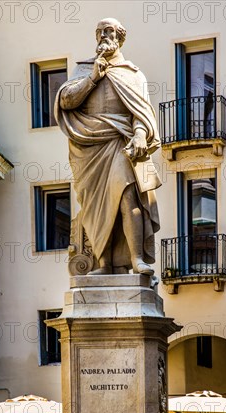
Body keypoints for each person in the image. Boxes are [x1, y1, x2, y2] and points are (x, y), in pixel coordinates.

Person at [55, 18, 161, 275]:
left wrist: (138, 135)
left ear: (120, 36)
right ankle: (105, 264)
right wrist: (93, 78)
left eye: (109, 31)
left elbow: (142, 112)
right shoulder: (83, 69)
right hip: (89, 149)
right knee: (97, 207)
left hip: (122, 141)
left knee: (128, 197)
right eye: (100, 31)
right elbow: (66, 101)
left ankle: (136, 259)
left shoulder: (133, 74)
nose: (104, 35)